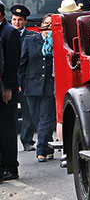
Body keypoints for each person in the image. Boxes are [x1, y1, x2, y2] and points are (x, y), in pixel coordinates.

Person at [18, 13, 56, 162]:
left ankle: (41, 148)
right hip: (31, 84)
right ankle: (48, 145)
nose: (48, 27)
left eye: (52, 24)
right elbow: (23, 63)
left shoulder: (57, 41)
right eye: (46, 23)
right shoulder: (31, 40)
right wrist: (19, 83)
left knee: (46, 117)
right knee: (35, 117)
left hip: (48, 85)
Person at [0, 0, 22, 181]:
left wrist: (8, 87)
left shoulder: (10, 32)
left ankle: (10, 167)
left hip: (7, 88)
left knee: (7, 128)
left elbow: (11, 63)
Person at [10, 4, 35, 151]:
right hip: (10, 79)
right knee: (10, 113)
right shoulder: (6, 34)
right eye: (14, 19)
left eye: (19, 20)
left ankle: (27, 140)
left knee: (28, 112)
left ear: (25, 21)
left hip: (26, 79)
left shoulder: (31, 36)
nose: (16, 23)